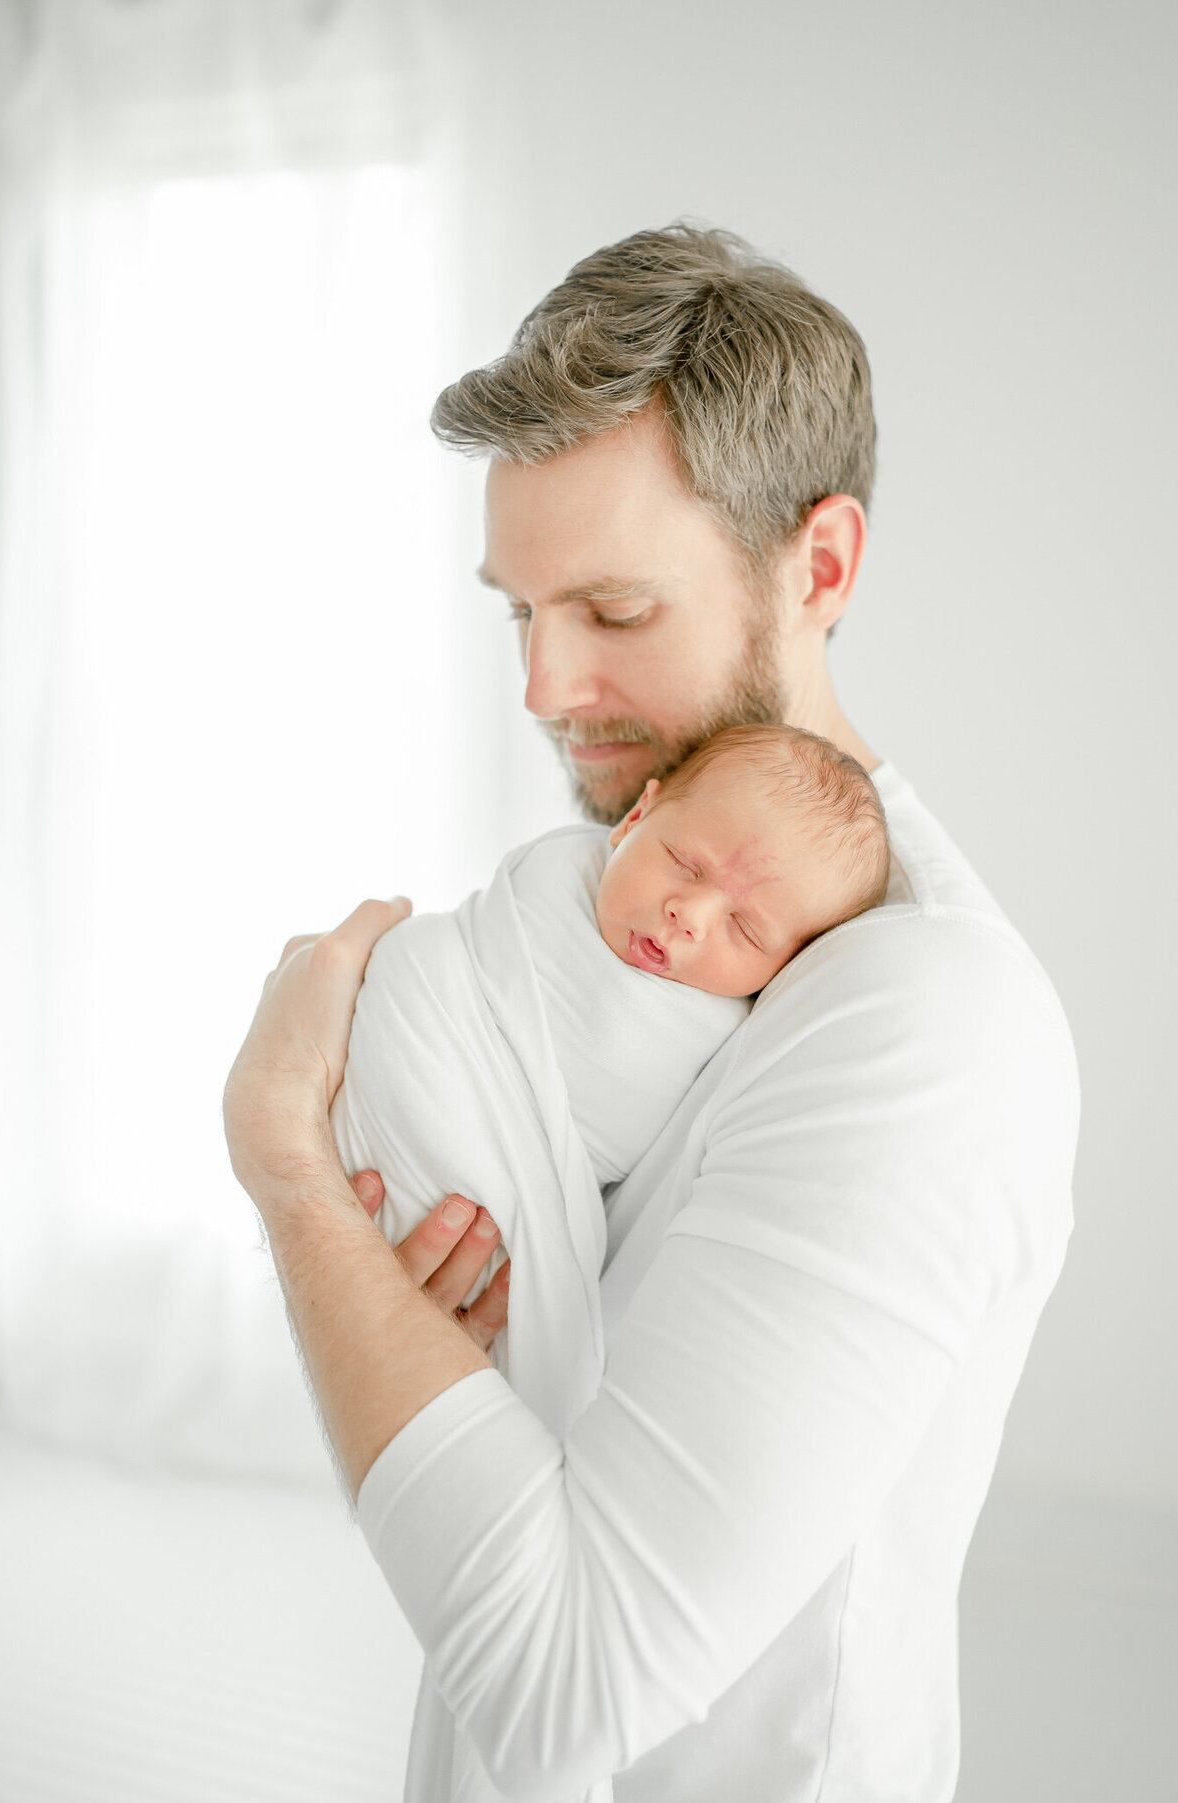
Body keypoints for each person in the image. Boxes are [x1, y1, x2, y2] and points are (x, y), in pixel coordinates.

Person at [223, 223, 1079, 1803]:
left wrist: (288, 1169)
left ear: (818, 567)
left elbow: (566, 1687)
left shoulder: (927, 1021)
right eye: (520, 613)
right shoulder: (628, 941)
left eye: (614, 612)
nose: (547, 687)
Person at [330, 720, 890, 1329]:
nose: (690, 916)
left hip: (440, 1233)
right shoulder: (556, 872)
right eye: (682, 862)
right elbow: (434, 960)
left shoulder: (718, 1040)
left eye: (745, 929)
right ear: (635, 818)